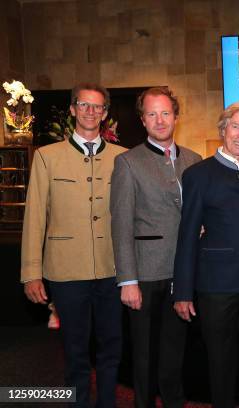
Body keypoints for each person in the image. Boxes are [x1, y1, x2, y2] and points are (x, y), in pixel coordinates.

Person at [21, 83, 126, 407]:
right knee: (76, 352)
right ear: (72, 109)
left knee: (112, 348)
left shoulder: (123, 158)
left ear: (106, 114)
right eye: (84, 105)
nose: (91, 112)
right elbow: (35, 216)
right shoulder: (47, 157)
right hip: (66, 272)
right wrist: (31, 273)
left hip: (112, 269)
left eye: (97, 107)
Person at [173, 101, 239, 408]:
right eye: (236, 127)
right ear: (223, 129)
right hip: (218, 287)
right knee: (221, 364)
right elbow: (188, 235)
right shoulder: (198, 175)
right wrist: (182, 291)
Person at [110, 87, 201, 408]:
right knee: (145, 356)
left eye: (165, 113)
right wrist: (128, 281)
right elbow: (120, 225)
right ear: (143, 120)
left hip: (183, 275)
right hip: (145, 276)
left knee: (175, 354)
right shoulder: (128, 163)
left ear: (176, 116)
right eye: (151, 114)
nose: (159, 120)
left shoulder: (194, 160)